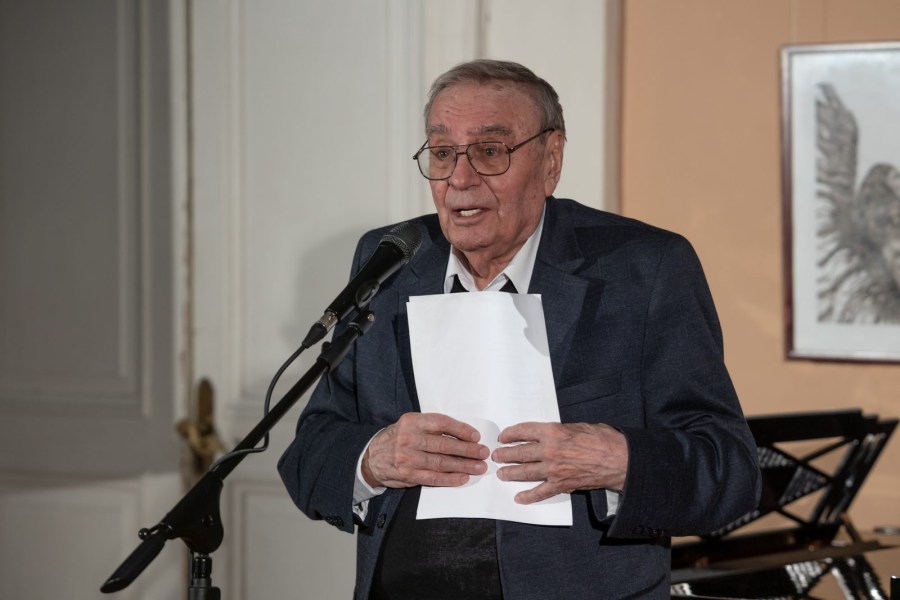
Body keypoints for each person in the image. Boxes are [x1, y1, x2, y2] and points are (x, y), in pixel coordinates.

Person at [278, 59, 761, 599]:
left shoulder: (644, 269)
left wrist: (617, 461)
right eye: (443, 153)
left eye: (490, 151)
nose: (460, 179)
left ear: (551, 160)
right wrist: (374, 457)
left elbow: (731, 473)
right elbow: (308, 457)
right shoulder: (391, 259)